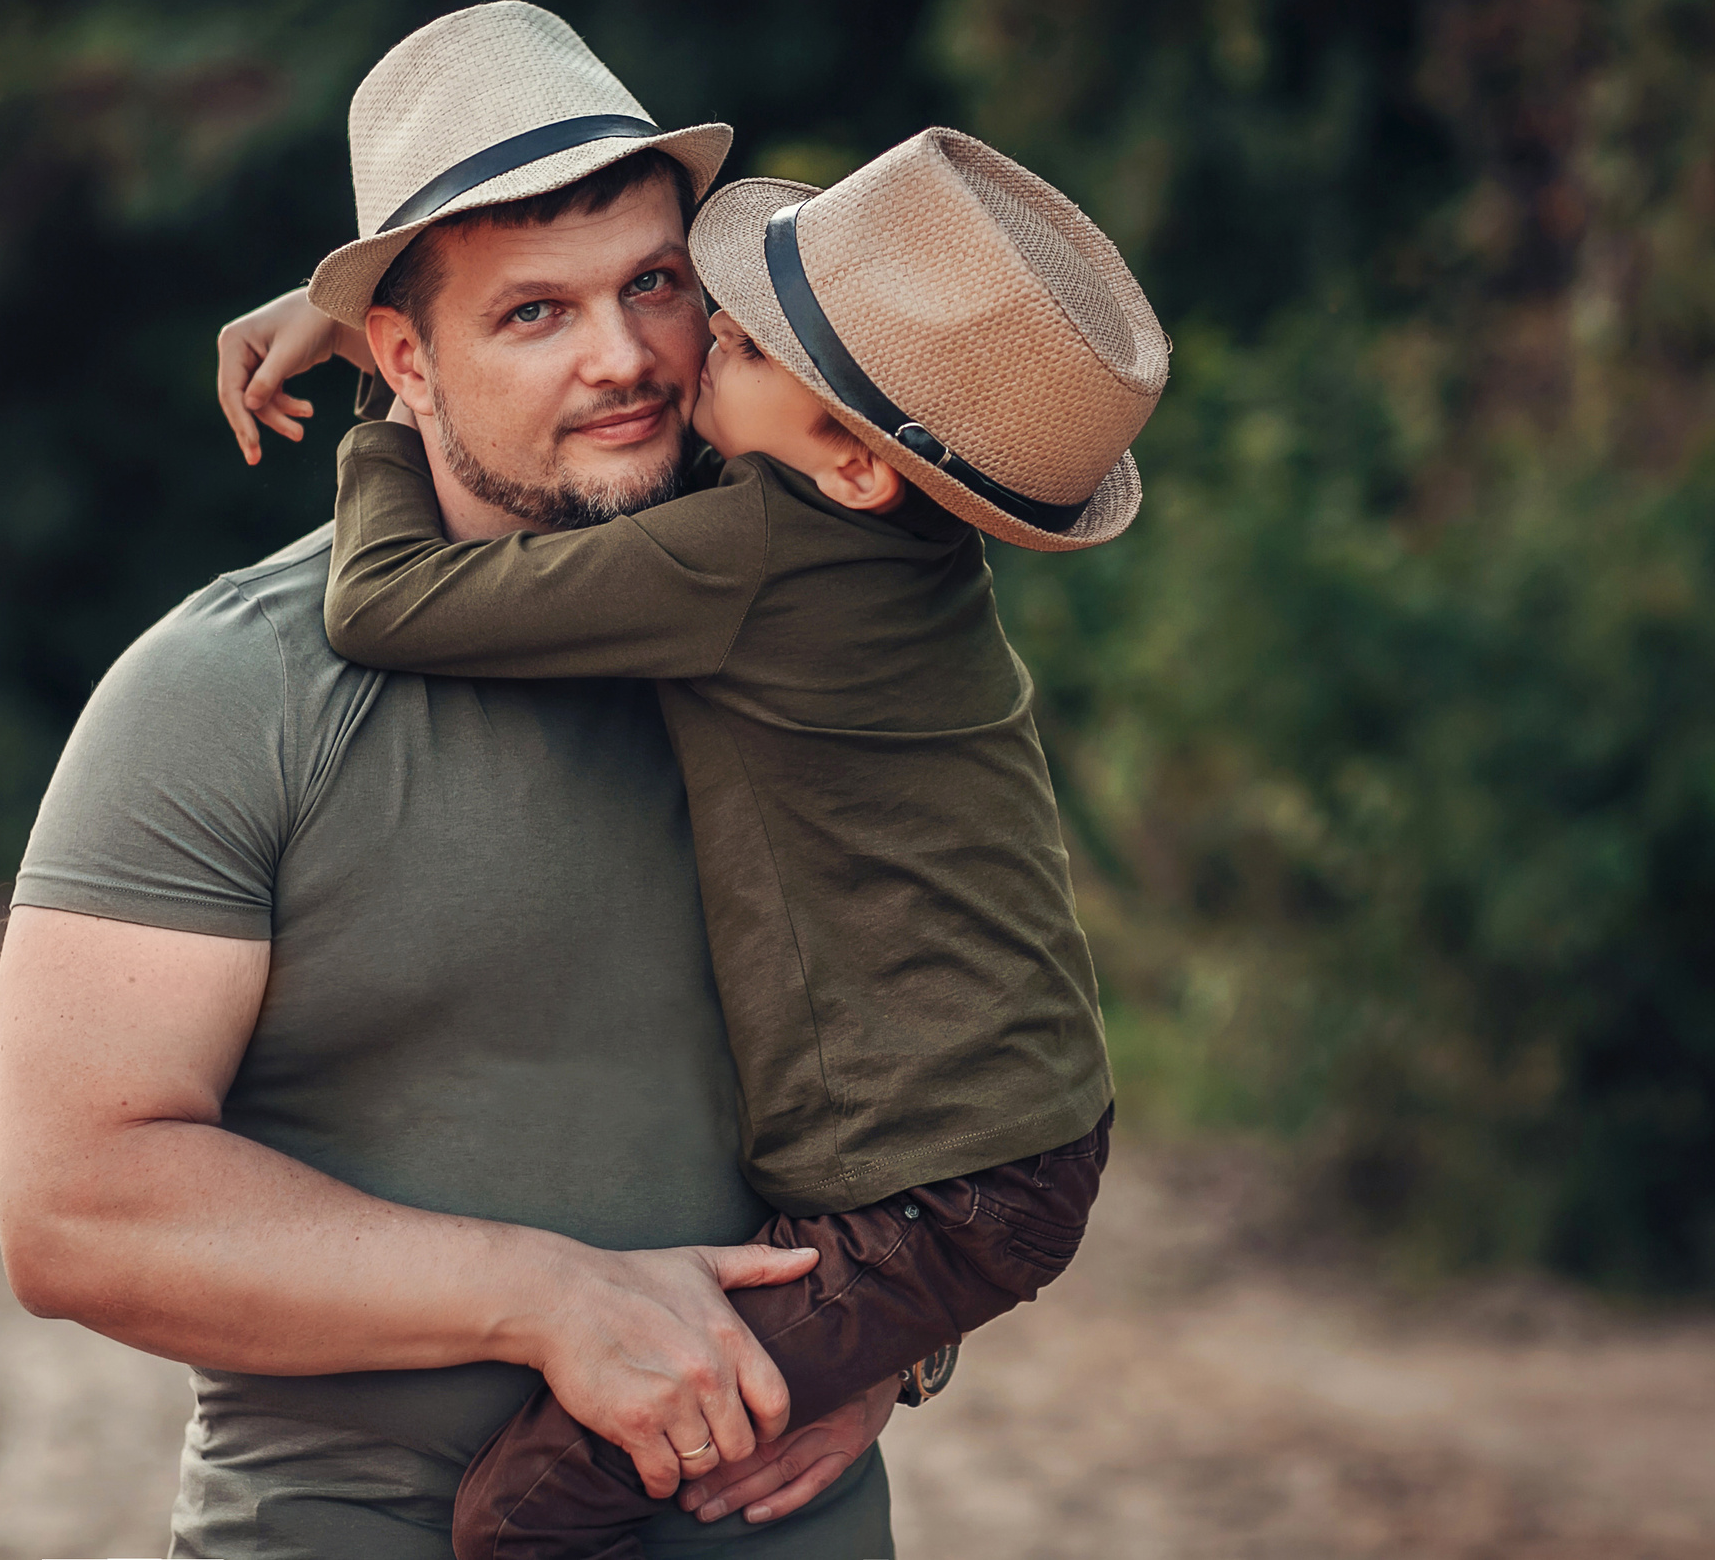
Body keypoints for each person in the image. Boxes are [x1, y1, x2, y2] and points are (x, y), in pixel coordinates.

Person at [0, 0, 898, 1560]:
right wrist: (553, 1298)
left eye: (653, 287)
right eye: (533, 315)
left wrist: (894, 1327)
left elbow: (961, 1019)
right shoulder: (225, 691)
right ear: (400, 358)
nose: (624, 360)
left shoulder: (816, 632)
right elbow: (78, 1207)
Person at [317, 127, 1167, 1559]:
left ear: (846, 467)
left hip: (940, 1193)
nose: (708, 333)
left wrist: (392, 400)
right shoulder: (896, 533)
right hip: (1012, 1149)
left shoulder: (750, 559)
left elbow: (386, 600)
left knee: (522, 1514)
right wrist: (372, 311)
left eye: (762, 350)